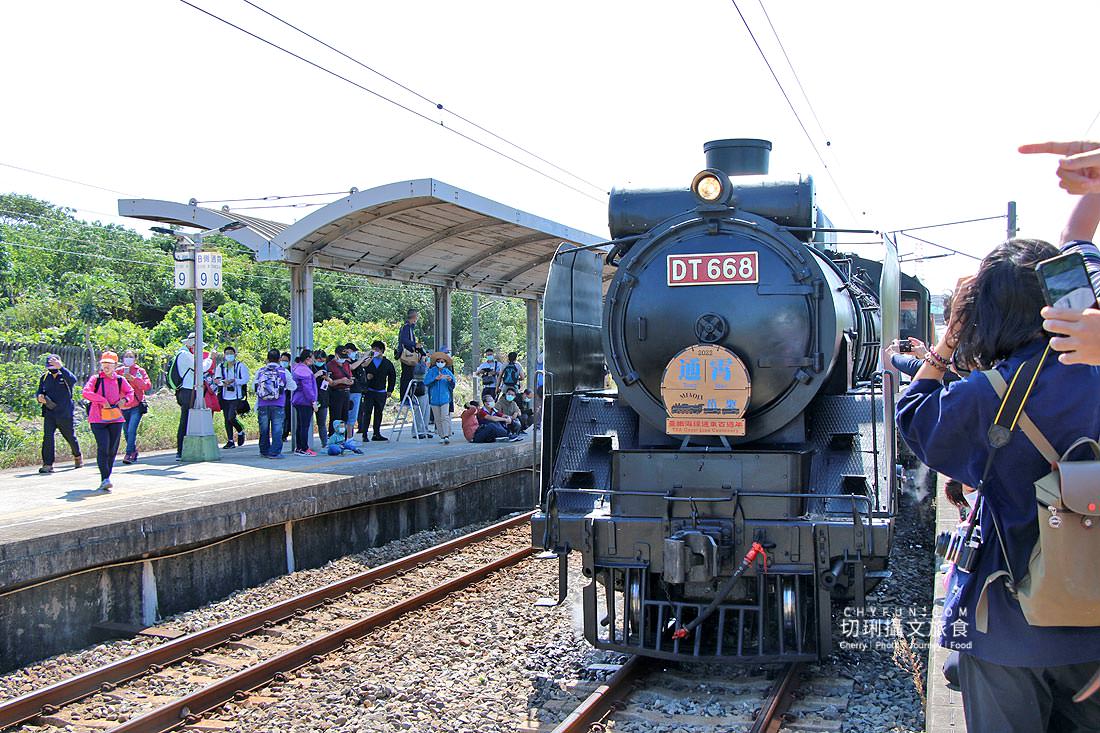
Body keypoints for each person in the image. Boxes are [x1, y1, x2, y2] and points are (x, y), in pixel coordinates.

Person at [897, 198, 1100, 733]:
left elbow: (915, 417)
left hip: (1007, 626)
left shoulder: (987, 395)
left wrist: (943, 344)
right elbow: (1076, 236)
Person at [82, 351, 134, 492]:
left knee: (112, 450)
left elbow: (130, 393)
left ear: (115, 365)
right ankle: (105, 478)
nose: (106, 366)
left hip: (115, 418)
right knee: (103, 447)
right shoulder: (96, 379)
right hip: (97, 418)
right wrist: (102, 401)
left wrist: (124, 400)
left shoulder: (120, 380)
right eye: (104, 363)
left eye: (109, 364)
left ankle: (107, 477)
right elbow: (86, 392)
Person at [35, 353, 82, 473]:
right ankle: (48, 464)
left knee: (69, 436)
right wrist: (39, 397)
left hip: (64, 413)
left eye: (54, 366)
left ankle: (77, 455)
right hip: (49, 412)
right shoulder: (45, 377)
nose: (52, 369)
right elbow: (40, 391)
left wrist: (61, 367)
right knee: (47, 437)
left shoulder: (64, 375)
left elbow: (73, 380)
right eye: (50, 366)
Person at [253, 348, 297, 459]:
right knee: (277, 429)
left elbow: (254, 387)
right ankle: (275, 452)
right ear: (279, 359)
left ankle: (264, 451)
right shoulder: (283, 371)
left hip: (263, 404)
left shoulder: (260, 371)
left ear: (267, 359)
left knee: (264, 428)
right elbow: (293, 386)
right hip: (278, 404)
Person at [118, 349, 152, 465]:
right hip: (123, 406)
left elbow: (147, 385)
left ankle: (128, 454)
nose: (128, 358)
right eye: (126, 356)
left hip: (136, 405)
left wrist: (134, 380)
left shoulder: (140, 371)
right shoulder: (118, 372)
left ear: (135, 359)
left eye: (131, 356)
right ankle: (133, 451)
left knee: (132, 430)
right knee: (126, 432)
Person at [214, 345, 250, 449]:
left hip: (236, 396)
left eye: (231, 353)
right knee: (226, 419)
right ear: (224, 355)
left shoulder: (240, 366)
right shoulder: (221, 366)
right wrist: (222, 383)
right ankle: (230, 440)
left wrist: (234, 381)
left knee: (231, 417)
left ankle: (240, 430)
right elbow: (216, 379)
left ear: (235, 354)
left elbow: (245, 379)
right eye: (227, 353)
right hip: (225, 396)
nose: (229, 355)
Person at [167, 334, 197, 461]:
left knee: (187, 420)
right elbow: (201, 367)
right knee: (185, 420)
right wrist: (211, 359)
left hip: (184, 390)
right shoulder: (185, 355)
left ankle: (183, 450)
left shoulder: (182, 353)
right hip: (187, 391)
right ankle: (180, 451)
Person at [361, 340, 396, 442]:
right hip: (369, 391)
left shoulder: (387, 363)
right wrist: (366, 377)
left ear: (382, 351)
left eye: (377, 349)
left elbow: (392, 376)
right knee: (367, 412)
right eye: (373, 349)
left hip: (381, 392)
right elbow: (360, 372)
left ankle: (376, 433)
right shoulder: (368, 361)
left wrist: (390, 390)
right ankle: (364, 434)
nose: (375, 351)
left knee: (378, 413)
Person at [290, 349, 319, 456]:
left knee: (300, 425)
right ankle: (304, 448)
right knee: (305, 426)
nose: (313, 360)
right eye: (312, 357)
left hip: (298, 401)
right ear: (307, 358)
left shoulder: (297, 368)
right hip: (305, 401)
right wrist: (313, 401)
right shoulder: (304, 370)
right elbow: (308, 388)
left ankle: (299, 448)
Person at [424, 351, 455, 444]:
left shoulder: (447, 372)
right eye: (439, 361)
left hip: (445, 398)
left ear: (445, 363)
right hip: (434, 399)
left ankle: (446, 435)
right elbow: (426, 382)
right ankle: (441, 435)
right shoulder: (431, 371)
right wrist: (435, 379)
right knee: (437, 418)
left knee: (445, 416)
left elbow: (453, 385)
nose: (440, 363)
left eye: (442, 361)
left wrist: (450, 380)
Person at [326, 346, 354, 435]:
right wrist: (341, 381)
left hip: (346, 392)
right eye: (341, 357)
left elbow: (350, 377)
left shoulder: (346, 364)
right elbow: (329, 382)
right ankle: (333, 438)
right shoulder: (330, 365)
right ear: (336, 355)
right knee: (335, 418)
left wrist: (350, 381)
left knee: (344, 417)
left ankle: (343, 439)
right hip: (336, 394)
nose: (343, 359)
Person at [397, 309, 421, 400]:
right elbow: (404, 340)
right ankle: (405, 397)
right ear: (414, 317)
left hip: (409, 355)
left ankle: (409, 395)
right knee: (406, 377)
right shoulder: (406, 327)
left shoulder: (410, 327)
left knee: (409, 376)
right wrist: (415, 345)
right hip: (407, 355)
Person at [346, 342, 368, 436]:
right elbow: (352, 367)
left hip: (358, 390)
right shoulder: (346, 362)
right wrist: (362, 358)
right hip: (351, 391)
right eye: (352, 351)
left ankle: (350, 437)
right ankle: (348, 438)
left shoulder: (357, 361)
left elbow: (364, 365)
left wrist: (369, 357)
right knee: (350, 416)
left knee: (353, 417)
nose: (353, 353)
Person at [311, 349, 331, 447]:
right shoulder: (309, 367)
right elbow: (307, 381)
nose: (321, 363)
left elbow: (329, 383)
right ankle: (305, 444)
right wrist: (316, 375)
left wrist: (327, 378)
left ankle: (325, 443)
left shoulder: (325, 367)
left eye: (323, 361)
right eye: (319, 360)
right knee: (306, 423)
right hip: (311, 397)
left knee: (322, 423)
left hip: (323, 398)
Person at [279, 351, 293, 443]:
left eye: (286, 360)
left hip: (289, 396)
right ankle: (281, 434)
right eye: (282, 360)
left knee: (287, 416)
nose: (284, 362)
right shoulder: (277, 370)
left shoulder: (291, 371)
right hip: (279, 397)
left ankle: (285, 434)